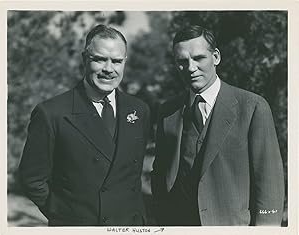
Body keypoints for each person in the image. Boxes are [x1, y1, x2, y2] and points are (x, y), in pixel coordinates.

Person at [151, 25, 284, 226]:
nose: (190, 68)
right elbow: (160, 176)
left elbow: (270, 186)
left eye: (198, 58)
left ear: (216, 57)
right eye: (182, 61)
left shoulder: (253, 107)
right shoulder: (167, 112)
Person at [19, 24, 150, 226]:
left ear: (124, 62)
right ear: (84, 59)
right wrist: (65, 216)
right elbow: (32, 179)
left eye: (116, 61)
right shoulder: (52, 113)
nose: (108, 69)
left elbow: (132, 178)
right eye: (99, 59)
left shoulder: (139, 110)